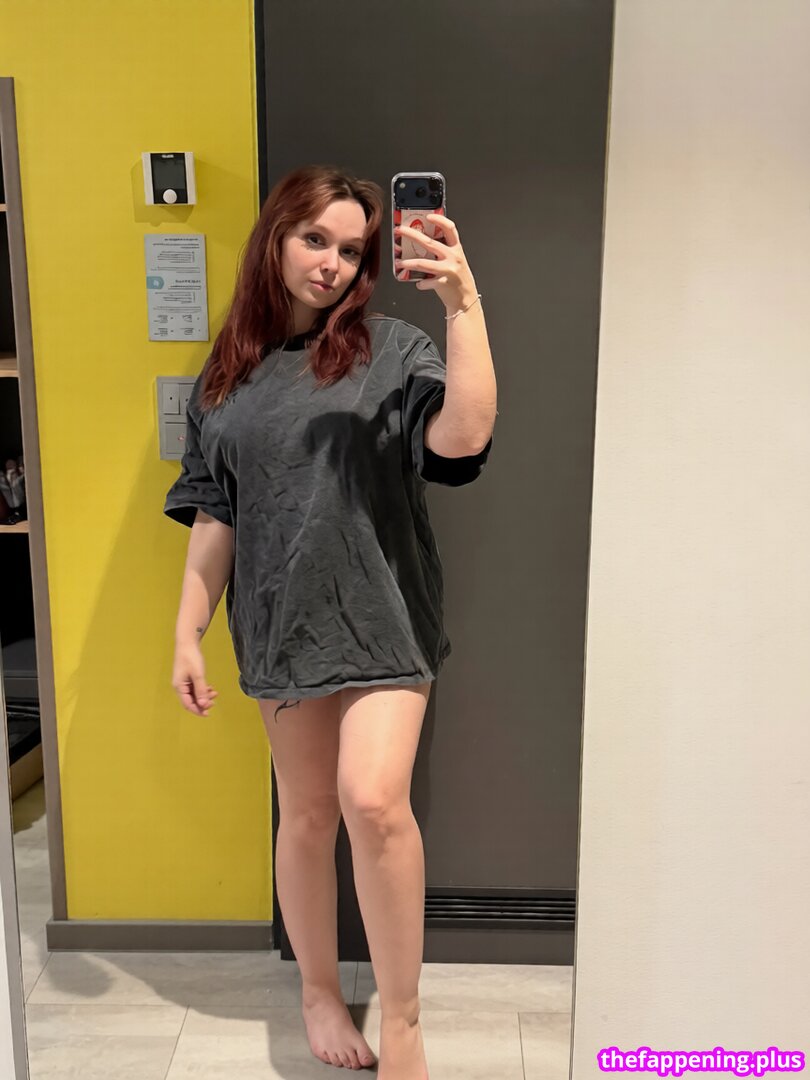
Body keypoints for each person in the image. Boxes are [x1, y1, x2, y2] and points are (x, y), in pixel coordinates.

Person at [163, 164, 497, 1078]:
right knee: (307, 814)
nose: (332, 264)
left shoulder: (390, 348)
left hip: (384, 615)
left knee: (373, 801)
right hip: (282, 624)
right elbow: (215, 514)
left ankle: (405, 1022)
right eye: (316, 240)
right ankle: (317, 989)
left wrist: (463, 303)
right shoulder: (223, 377)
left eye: (351, 251)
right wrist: (188, 630)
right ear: (275, 237)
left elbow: (462, 441)